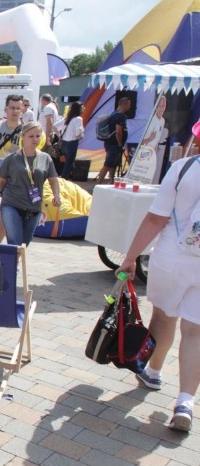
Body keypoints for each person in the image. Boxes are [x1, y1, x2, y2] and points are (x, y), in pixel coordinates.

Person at [116, 151, 200, 432]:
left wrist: (130, 257)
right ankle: (185, 401)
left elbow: (156, 218)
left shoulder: (183, 167)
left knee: (164, 319)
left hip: (172, 256)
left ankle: (153, 372)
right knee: (195, 332)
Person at [0, 121, 61, 246]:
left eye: (38, 136)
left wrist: (56, 195)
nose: (35, 139)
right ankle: (9, 265)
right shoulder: (11, 159)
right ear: (23, 137)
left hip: (34, 207)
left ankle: (10, 263)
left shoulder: (45, 158)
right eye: (31, 136)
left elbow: (53, 179)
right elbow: (0, 182)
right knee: (15, 242)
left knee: (24, 243)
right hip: (11, 204)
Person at [95, 96, 131, 184]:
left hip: (109, 143)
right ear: (124, 104)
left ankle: (111, 181)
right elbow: (118, 131)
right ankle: (97, 184)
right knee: (108, 164)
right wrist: (120, 144)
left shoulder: (113, 114)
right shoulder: (120, 116)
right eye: (129, 105)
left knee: (113, 164)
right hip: (114, 145)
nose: (129, 107)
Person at [53, 101, 85, 180]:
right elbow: (78, 133)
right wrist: (81, 134)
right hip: (72, 143)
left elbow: (54, 126)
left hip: (64, 143)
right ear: (79, 109)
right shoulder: (78, 119)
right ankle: (64, 178)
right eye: (82, 107)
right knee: (69, 163)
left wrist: (59, 135)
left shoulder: (67, 118)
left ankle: (64, 176)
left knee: (66, 162)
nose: (84, 108)